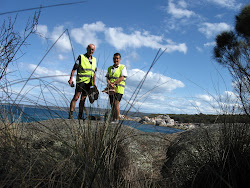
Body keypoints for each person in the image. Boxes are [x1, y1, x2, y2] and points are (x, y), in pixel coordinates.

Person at [68, 44, 97, 119]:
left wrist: (94, 83)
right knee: (76, 97)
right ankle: (70, 115)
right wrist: (71, 78)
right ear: (87, 49)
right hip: (81, 81)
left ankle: (80, 116)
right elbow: (74, 68)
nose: (91, 51)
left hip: (89, 83)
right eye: (90, 49)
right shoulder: (81, 57)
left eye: (93, 49)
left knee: (83, 99)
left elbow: (94, 73)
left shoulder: (94, 60)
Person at [105, 53, 127, 123]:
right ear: (113, 59)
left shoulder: (123, 67)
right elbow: (107, 78)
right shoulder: (109, 68)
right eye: (114, 58)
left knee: (116, 103)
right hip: (111, 89)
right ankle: (113, 118)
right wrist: (109, 83)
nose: (116, 60)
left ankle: (117, 119)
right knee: (112, 104)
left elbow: (122, 77)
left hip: (119, 89)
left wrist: (114, 83)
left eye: (117, 58)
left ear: (120, 59)